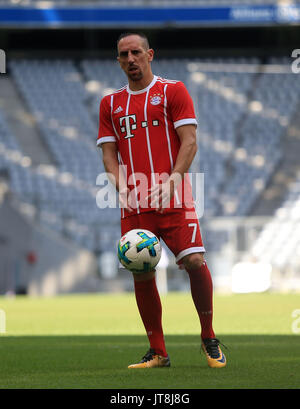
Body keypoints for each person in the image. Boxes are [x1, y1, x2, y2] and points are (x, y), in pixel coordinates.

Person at [97, 32, 226, 369]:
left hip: (175, 195)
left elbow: (190, 142)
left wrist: (172, 181)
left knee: (195, 262)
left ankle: (208, 336)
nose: (130, 59)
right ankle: (158, 351)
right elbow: (109, 155)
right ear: (118, 61)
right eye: (123, 55)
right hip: (135, 203)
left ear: (149, 54)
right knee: (142, 272)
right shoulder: (110, 104)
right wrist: (121, 186)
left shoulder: (173, 91)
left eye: (136, 52)